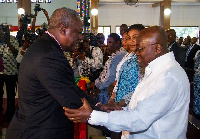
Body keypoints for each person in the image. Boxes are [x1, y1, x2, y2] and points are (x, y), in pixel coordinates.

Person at [64, 26, 190, 139]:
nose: (136, 54)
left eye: (140, 49)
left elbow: (139, 119)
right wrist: (119, 108)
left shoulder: (168, 78)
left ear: (157, 48)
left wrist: (92, 116)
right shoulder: (155, 70)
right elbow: (143, 106)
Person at [6, 7, 100, 139]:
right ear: (63, 29)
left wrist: (98, 105)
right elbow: (71, 101)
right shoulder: (48, 54)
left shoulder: (47, 47)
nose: (80, 37)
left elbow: (70, 87)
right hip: (37, 131)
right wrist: (109, 119)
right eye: (78, 32)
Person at [109, 24, 145, 106]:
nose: (131, 41)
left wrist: (122, 103)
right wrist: (112, 98)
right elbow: (120, 79)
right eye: (129, 38)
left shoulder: (145, 60)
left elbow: (142, 87)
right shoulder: (129, 57)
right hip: (119, 102)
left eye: (135, 37)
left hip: (133, 104)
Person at [87, 33, 127, 104]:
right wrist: (96, 83)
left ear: (118, 42)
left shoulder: (120, 55)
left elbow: (111, 77)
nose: (108, 44)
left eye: (110, 42)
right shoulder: (115, 54)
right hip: (103, 87)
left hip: (107, 91)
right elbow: (104, 73)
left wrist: (99, 89)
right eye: (108, 42)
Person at [0, 23, 19, 122]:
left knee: (10, 94)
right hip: (0, 72)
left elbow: (16, 53)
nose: (4, 31)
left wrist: (8, 42)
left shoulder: (13, 39)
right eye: (2, 30)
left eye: (6, 29)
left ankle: (10, 113)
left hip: (10, 71)